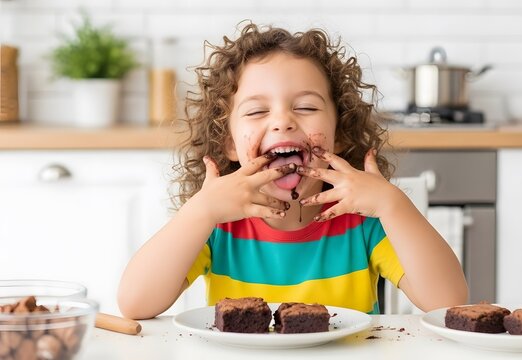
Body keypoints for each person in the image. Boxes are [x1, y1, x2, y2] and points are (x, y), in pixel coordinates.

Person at [118, 23, 467, 320]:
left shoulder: (363, 222)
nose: (283, 120)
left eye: (305, 106)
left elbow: (449, 303)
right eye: (257, 112)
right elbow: (135, 303)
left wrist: (393, 205)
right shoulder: (218, 224)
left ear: (341, 134)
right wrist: (201, 210)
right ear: (228, 144)